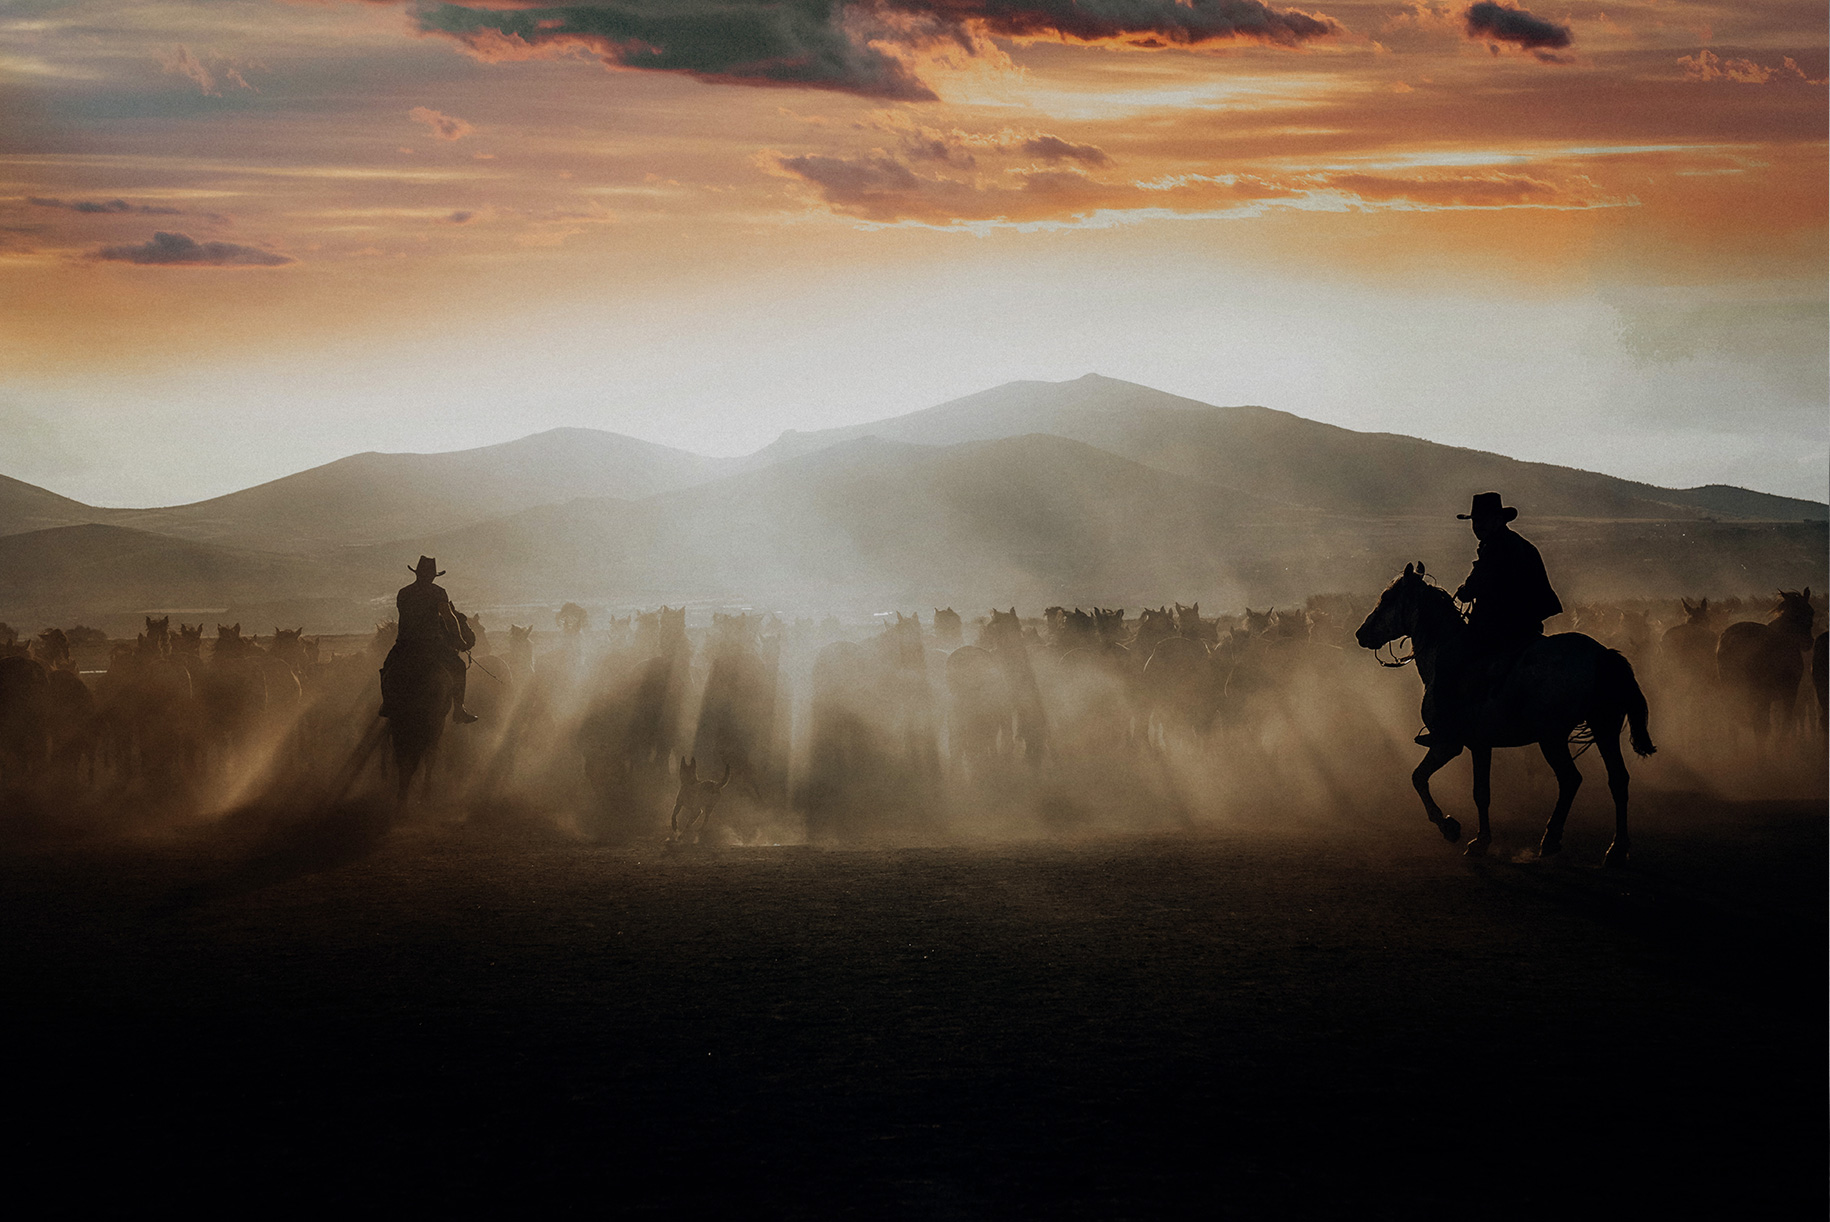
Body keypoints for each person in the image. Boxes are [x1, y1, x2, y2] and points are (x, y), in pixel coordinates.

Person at [1416, 493, 1563, 748]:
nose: (1477, 526)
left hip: (1499, 627)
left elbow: (1480, 582)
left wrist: (1465, 590)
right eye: (1475, 521)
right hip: (1526, 625)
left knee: (1448, 658)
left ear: (1498, 520)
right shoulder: (1519, 545)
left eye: (1482, 521)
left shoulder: (1497, 547)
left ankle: (1446, 729)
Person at [379, 556, 479, 724]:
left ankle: (387, 703)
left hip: (404, 644)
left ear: (417, 573)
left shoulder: (404, 593)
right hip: (431, 645)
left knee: (387, 668)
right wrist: (459, 639)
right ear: (432, 576)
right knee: (459, 667)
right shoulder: (438, 592)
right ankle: (459, 709)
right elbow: (448, 617)